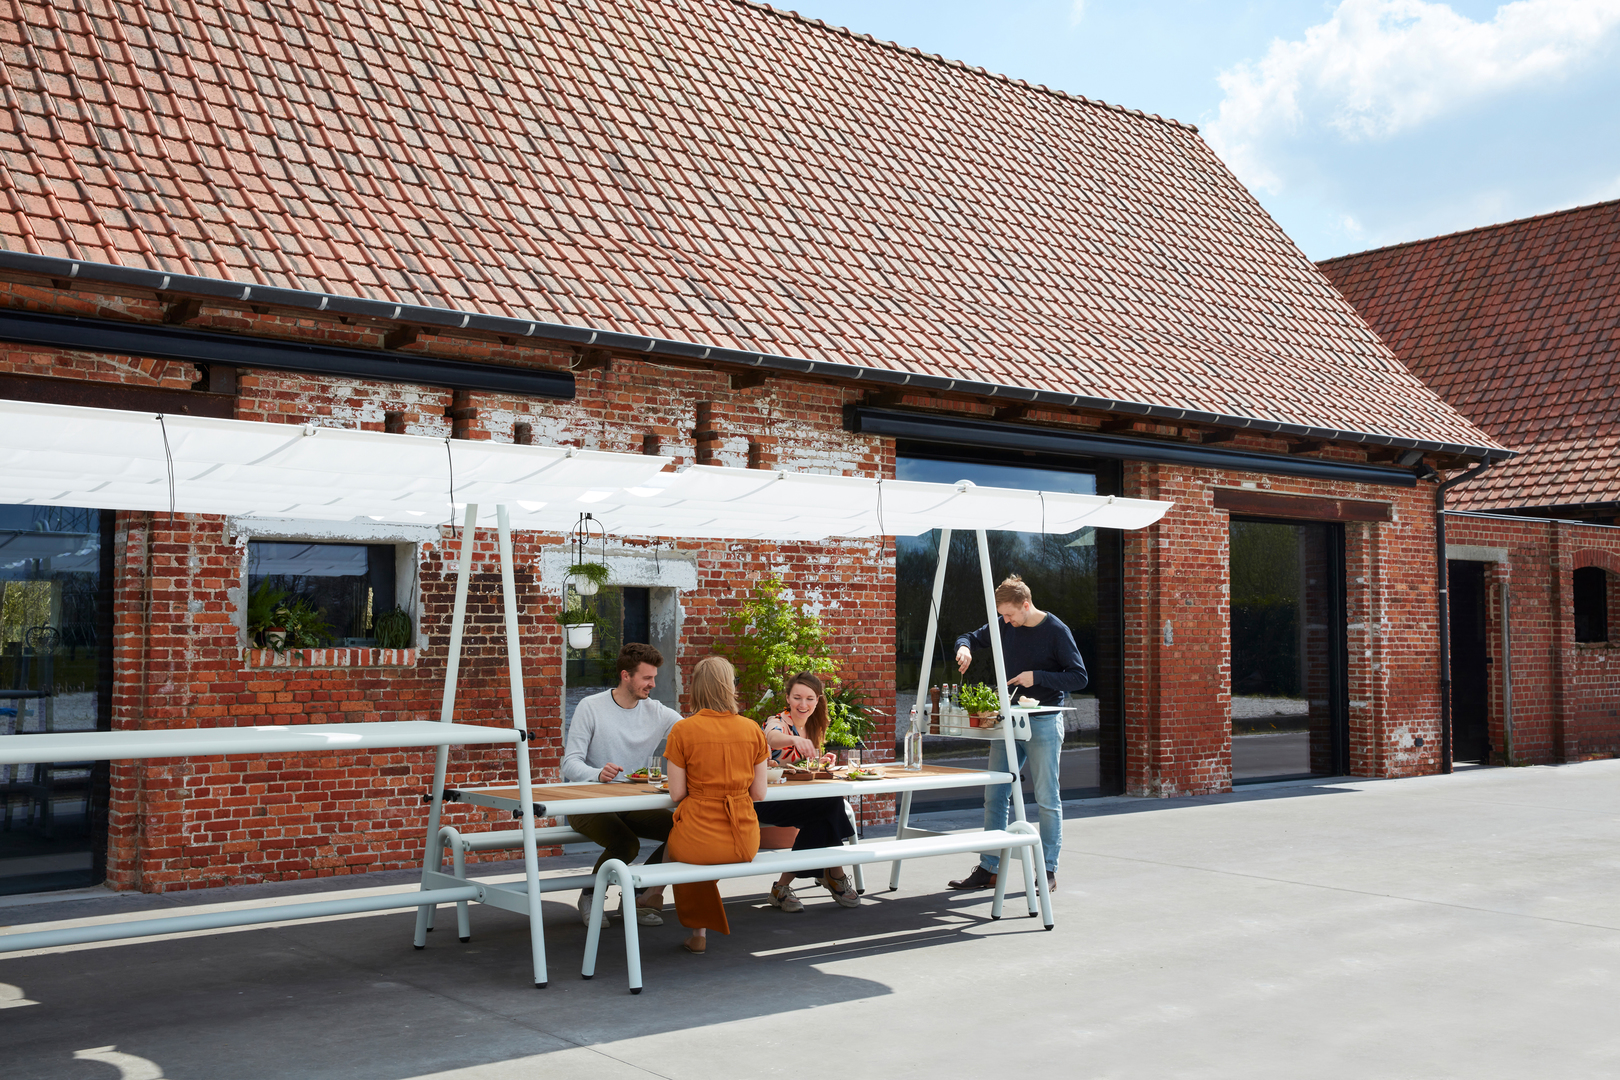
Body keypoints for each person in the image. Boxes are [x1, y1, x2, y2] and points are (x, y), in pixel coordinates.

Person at [946, 574, 1086, 894]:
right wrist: (965, 648)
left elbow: (1079, 677)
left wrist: (1035, 677)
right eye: (1001, 615)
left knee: (1047, 798)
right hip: (1008, 722)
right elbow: (970, 636)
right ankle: (989, 868)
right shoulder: (1006, 624)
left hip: (1044, 721)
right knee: (995, 793)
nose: (1005, 621)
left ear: (1026, 604)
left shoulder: (1056, 631)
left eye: (1009, 614)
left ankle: (1048, 870)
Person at [561, 642, 683, 927]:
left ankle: (638, 896)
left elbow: (692, 734)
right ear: (626, 675)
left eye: (654, 678)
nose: (652, 684)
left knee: (682, 830)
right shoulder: (591, 707)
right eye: (646, 678)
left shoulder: (657, 712)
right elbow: (569, 764)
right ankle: (590, 896)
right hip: (586, 802)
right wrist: (596, 773)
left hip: (633, 802)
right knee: (626, 845)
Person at [664, 655, 770, 954]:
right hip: (743, 840)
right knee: (701, 853)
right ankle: (687, 922)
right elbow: (759, 793)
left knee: (682, 847)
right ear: (730, 687)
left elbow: (675, 793)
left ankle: (696, 929)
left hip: (698, 837)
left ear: (696, 688)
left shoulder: (683, 730)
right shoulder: (751, 729)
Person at [754, 672, 859, 911]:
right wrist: (792, 740)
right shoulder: (778, 721)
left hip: (800, 800)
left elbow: (804, 769)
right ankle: (835, 873)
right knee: (831, 806)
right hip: (769, 800)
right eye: (797, 697)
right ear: (788, 698)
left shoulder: (813, 727)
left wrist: (821, 761)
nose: (803, 704)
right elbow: (771, 738)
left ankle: (782, 888)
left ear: (818, 700)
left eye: (810, 698)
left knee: (824, 814)